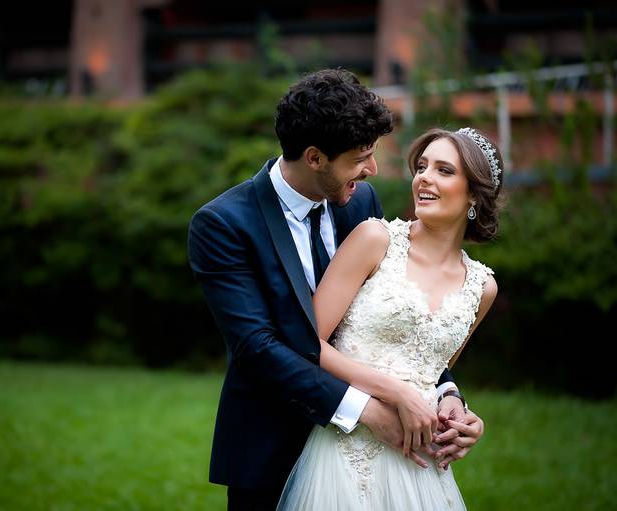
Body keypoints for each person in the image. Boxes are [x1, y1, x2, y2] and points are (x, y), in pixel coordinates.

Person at [187, 69, 484, 511]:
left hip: (379, 463)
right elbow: (257, 348)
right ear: (314, 158)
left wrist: (447, 395)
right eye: (360, 157)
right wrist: (367, 411)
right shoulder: (224, 225)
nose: (372, 170)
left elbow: (390, 321)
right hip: (272, 446)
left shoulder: (361, 203)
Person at [276, 126, 503, 510]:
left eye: (444, 170)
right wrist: (395, 392)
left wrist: (457, 410)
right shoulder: (374, 240)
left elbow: (434, 373)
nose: (425, 178)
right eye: (422, 166)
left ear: (474, 195)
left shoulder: (482, 288)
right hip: (345, 452)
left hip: (417, 462)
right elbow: (307, 343)